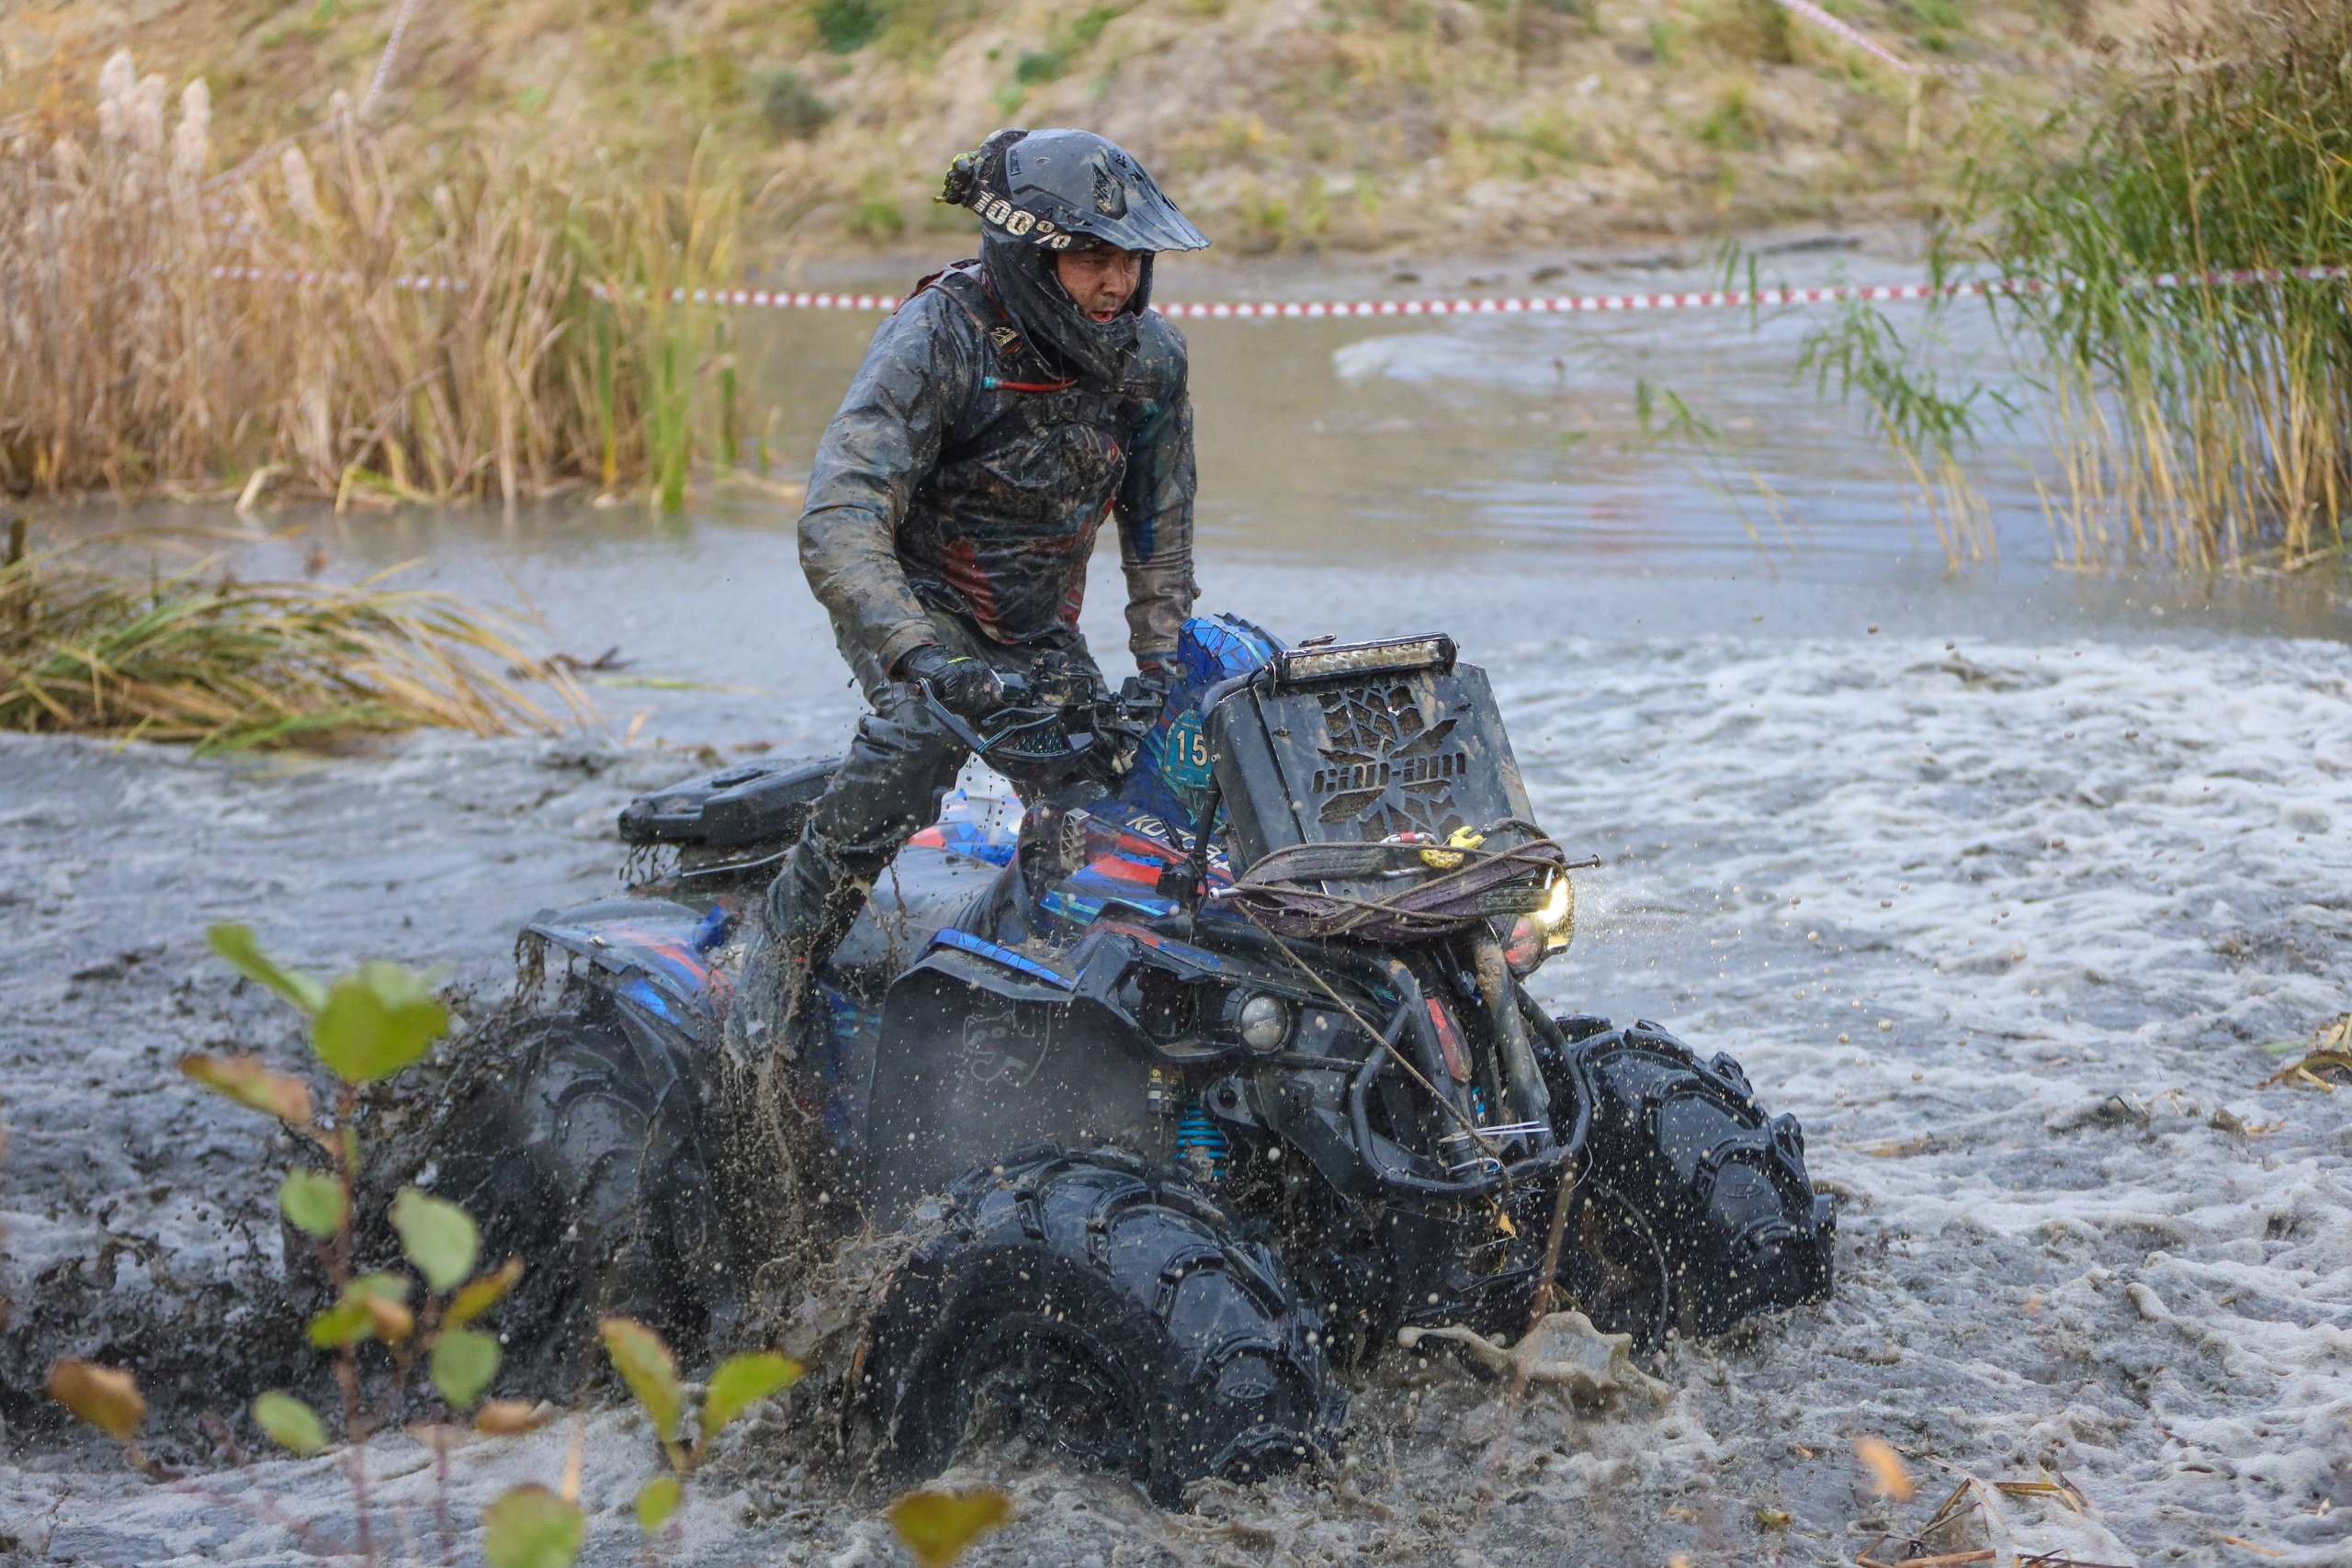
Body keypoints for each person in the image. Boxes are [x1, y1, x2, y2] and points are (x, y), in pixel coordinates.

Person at [731, 127, 1210, 1058]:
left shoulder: (1152, 359)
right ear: (1032, 256)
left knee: (1106, 795)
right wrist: (916, 652)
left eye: (1132, 260)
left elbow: (1161, 525)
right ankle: (779, 963)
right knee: (915, 744)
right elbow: (840, 514)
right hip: (917, 604)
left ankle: (1026, 988)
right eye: (1092, 259)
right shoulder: (938, 335)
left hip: (1037, 620)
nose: (1117, 282)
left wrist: (1163, 664)